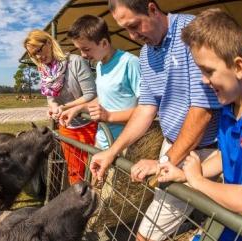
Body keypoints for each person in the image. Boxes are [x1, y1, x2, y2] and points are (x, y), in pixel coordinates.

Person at [89, 1, 221, 240]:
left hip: (207, 151)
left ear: (152, 9)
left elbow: (202, 110)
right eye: (126, 29)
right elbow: (146, 108)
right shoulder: (146, 54)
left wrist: (163, 162)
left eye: (134, 25)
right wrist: (113, 152)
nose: (132, 35)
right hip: (174, 149)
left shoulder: (193, 32)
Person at [158, 8, 242, 241]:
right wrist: (184, 174)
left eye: (208, 71)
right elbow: (227, 156)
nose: (204, 80)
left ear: (238, 67)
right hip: (235, 222)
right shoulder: (229, 107)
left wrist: (198, 181)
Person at [24, 29, 97, 184]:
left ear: (49, 43)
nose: (38, 56)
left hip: (89, 125)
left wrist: (63, 107)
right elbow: (51, 98)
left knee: (93, 171)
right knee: (74, 170)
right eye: (33, 54)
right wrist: (53, 107)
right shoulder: (45, 71)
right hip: (67, 127)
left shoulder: (75, 62)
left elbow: (90, 94)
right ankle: (79, 203)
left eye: (39, 50)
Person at [60, 14, 141, 150]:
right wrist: (78, 108)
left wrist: (109, 116)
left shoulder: (130, 63)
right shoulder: (99, 65)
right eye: (80, 49)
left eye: (86, 49)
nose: (83, 55)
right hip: (102, 141)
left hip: (125, 146)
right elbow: (104, 98)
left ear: (104, 43)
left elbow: (147, 111)